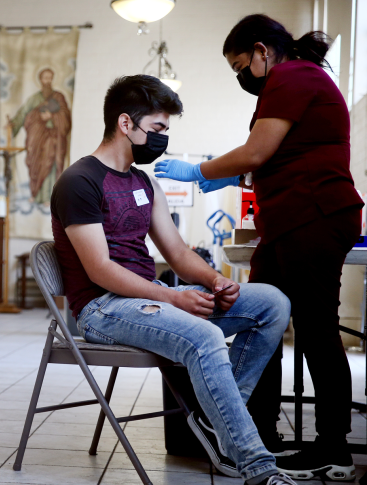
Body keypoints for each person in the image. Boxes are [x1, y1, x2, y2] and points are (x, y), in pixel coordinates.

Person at [52, 74, 294, 485]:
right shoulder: (79, 182)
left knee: (273, 303)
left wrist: (216, 282)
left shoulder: (144, 182)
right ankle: (257, 466)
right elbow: (100, 270)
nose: (163, 139)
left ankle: (214, 417)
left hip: (150, 299)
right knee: (204, 337)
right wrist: (172, 299)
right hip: (102, 308)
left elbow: (179, 255)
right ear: (126, 123)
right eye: (158, 129)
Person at [154, 14, 364, 482]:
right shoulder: (294, 81)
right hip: (290, 223)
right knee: (262, 315)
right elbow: (273, 157)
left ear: (262, 51)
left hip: (313, 216)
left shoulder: (293, 74)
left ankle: (335, 449)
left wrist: (199, 171)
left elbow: (256, 152)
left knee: (315, 331)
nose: (240, 77)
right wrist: (230, 175)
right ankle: (259, 437)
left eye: (239, 65)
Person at [8, 68, 72, 204]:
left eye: (50, 78)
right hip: (37, 139)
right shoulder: (35, 98)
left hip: (54, 138)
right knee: (37, 164)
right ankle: (37, 195)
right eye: (45, 78)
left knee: (51, 164)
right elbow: (23, 113)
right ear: (40, 80)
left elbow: (66, 117)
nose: (47, 81)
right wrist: (13, 124)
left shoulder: (59, 97)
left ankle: (50, 197)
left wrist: (53, 116)